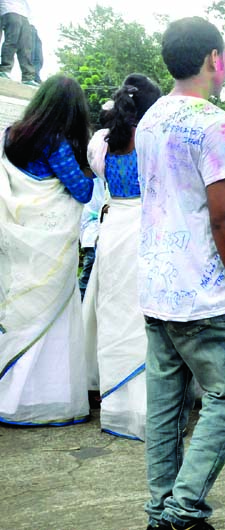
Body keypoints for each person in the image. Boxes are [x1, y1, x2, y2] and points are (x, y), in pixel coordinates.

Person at [135, 17, 225, 530]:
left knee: (166, 408)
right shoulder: (213, 123)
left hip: (157, 288)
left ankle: (161, 510)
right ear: (215, 58)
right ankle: (182, 511)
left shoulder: (149, 120)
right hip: (203, 295)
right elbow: (223, 214)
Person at [0, 74, 93, 426]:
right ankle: (41, 399)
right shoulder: (56, 143)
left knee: (18, 311)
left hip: (16, 235)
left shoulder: (10, 135)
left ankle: (8, 394)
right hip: (50, 243)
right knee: (49, 317)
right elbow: (81, 191)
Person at [82, 74, 161, 441]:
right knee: (145, 314)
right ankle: (151, 407)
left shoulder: (101, 142)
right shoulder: (155, 139)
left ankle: (115, 405)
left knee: (114, 313)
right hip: (150, 228)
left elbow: (98, 175)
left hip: (113, 231)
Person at [0, 0, 35, 86]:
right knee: (12, 40)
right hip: (9, 9)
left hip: (24, 14)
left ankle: (28, 77)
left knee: (26, 46)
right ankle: (5, 69)